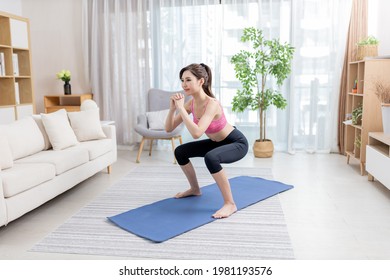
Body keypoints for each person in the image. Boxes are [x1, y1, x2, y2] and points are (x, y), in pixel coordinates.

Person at [165, 63, 249, 219]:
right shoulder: (191, 103)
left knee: (211, 157)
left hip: (235, 143)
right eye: (182, 80)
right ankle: (194, 189)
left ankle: (230, 203)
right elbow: (169, 128)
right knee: (180, 152)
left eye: (188, 80)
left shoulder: (212, 104)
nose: (184, 85)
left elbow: (197, 133)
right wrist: (172, 109)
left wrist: (181, 109)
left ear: (201, 81)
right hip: (216, 142)